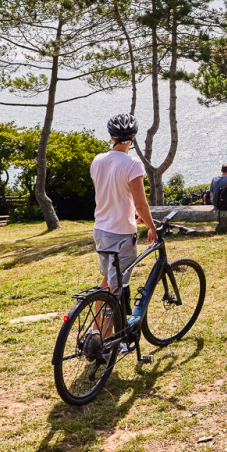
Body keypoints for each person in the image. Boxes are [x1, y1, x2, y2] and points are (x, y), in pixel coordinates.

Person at [89, 115, 157, 342]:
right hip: (121, 233)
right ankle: (109, 340)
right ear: (133, 138)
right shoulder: (133, 164)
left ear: (111, 136)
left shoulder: (97, 160)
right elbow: (140, 203)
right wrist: (151, 226)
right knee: (117, 287)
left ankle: (96, 331)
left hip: (100, 229)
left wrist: (131, 212)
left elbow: (108, 194)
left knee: (107, 282)